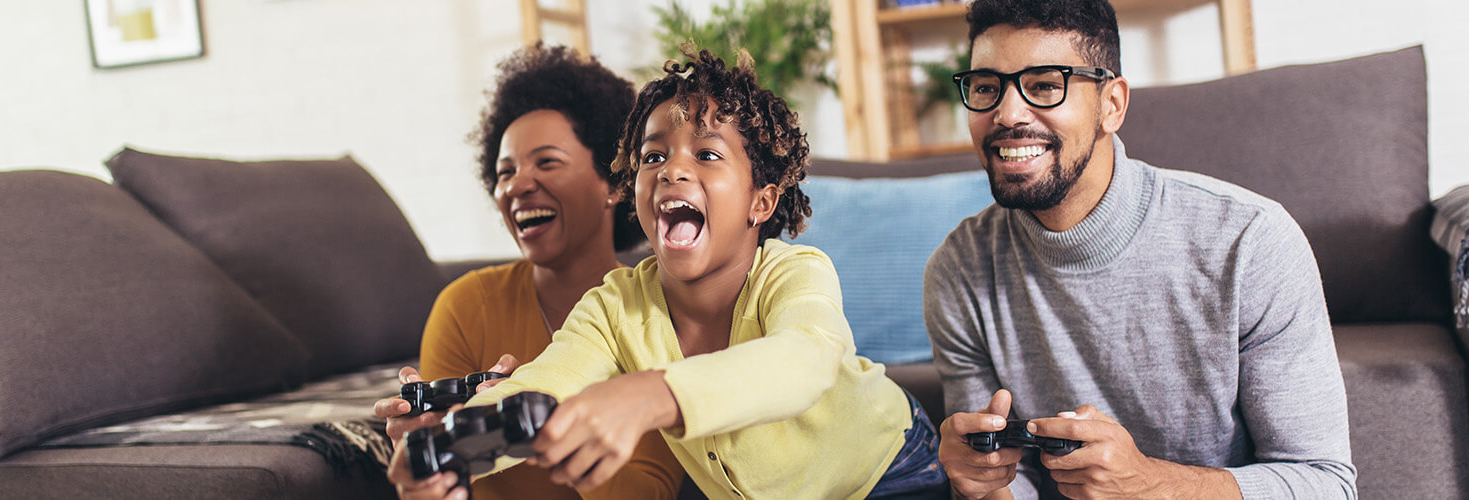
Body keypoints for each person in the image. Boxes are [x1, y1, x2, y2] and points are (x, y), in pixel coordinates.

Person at [387, 47, 950, 500]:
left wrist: (647, 395)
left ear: (761, 201)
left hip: (889, 473)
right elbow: (541, 389)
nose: (672, 168)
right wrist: (449, 449)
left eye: (707, 155)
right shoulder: (614, 306)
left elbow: (803, 361)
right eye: (653, 157)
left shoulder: (793, 272)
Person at [924, 0, 1357, 499]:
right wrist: (981, 486)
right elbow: (1009, 480)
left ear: (1112, 105)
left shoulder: (1250, 242)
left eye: (1044, 84)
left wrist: (1150, 484)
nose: (1006, 113)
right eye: (985, 87)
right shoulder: (957, 271)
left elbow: (1325, 484)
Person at [372, 43, 685, 500]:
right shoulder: (465, 307)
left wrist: (541, 427)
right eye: (505, 172)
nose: (517, 185)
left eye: (547, 162)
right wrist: (435, 461)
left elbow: (647, 492)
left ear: (615, 182)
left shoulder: (660, 315)